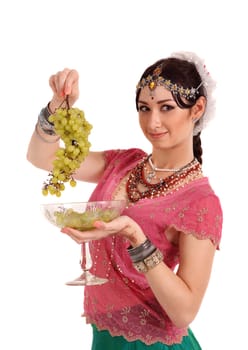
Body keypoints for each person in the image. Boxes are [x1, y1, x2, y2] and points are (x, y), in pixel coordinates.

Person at [27, 51, 223, 349]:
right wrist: (57, 107)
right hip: (106, 340)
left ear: (196, 109)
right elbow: (42, 156)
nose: (153, 121)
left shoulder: (200, 201)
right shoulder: (124, 163)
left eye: (166, 108)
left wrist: (135, 235)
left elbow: (184, 311)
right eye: (144, 108)